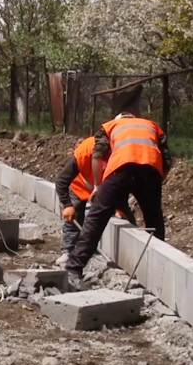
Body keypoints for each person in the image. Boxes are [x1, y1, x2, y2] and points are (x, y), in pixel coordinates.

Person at [64, 85, 172, 288]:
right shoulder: (153, 125)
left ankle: (74, 268)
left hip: (120, 169)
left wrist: (97, 186)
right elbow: (166, 160)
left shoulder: (110, 126)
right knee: (154, 218)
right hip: (151, 170)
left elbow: (98, 155)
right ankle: (159, 272)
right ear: (135, 112)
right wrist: (156, 182)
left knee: (97, 217)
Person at [54, 136, 137, 266]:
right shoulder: (85, 151)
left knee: (123, 214)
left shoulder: (122, 153)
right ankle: (68, 251)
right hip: (80, 185)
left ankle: (135, 251)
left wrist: (120, 208)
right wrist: (67, 205)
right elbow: (61, 181)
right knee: (74, 214)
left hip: (106, 187)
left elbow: (123, 184)